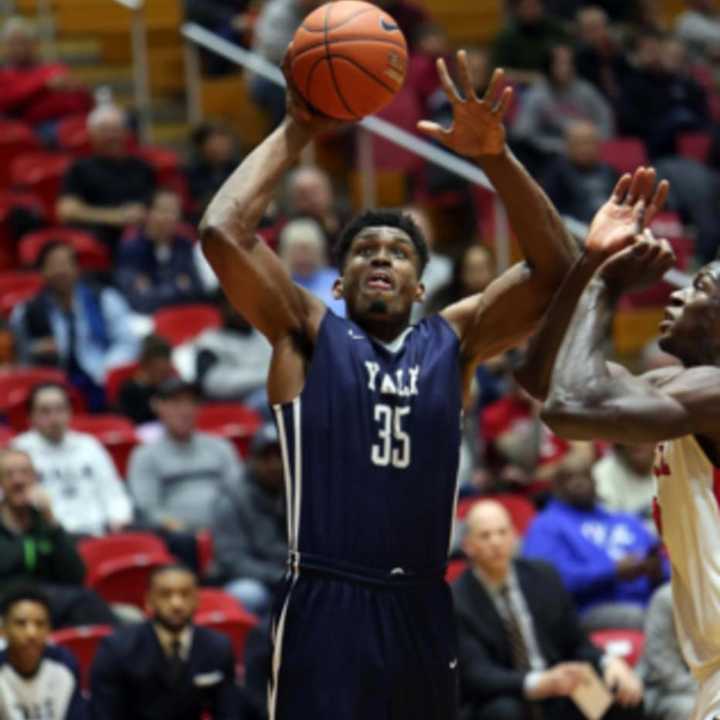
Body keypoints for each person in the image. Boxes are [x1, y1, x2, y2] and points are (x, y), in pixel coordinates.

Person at [198, 35, 639, 717]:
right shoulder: (307, 330)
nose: (381, 258)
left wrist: (496, 158)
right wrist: (296, 130)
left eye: (399, 252)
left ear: (421, 284)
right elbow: (224, 233)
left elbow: (557, 272)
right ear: (339, 284)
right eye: (364, 250)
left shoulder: (453, 340)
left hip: (424, 603)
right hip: (327, 598)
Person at [514, 164, 720, 720]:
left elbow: (570, 404)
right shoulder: (680, 394)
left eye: (699, 288)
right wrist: (589, 262)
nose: (675, 295)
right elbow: (543, 381)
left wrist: (606, 284)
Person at [454, 500, 643, 720]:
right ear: (468, 545)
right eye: (485, 536)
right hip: (504, 694)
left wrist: (609, 662)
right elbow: (477, 675)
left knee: (622, 693)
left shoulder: (543, 575)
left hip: (559, 688)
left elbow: (577, 642)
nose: (496, 542)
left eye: (502, 532)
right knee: (504, 712)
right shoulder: (458, 599)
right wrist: (539, 682)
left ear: (515, 536)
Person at [522, 452, 668, 630]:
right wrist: (612, 571)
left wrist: (657, 571)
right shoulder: (546, 525)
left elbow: (666, 570)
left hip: (647, 601)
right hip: (588, 611)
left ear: (595, 480)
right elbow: (546, 584)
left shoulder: (624, 520)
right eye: (569, 478)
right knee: (648, 617)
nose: (579, 482)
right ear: (555, 486)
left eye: (585, 476)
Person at [90, 564, 240, 720]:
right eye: (165, 594)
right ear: (149, 600)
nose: (176, 604)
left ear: (197, 599)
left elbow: (229, 712)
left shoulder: (217, 647)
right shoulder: (116, 649)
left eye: (185, 594)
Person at [9, 241, 139, 410]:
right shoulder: (26, 311)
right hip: (51, 384)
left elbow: (128, 342)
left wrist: (107, 370)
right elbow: (18, 356)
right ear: (42, 272)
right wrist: (34, 350)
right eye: (53, 265)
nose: (61, 271)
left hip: (100, 377)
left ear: (77, 269)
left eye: (65, 264)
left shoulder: (104, 299)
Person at [0, 448, 116, 629]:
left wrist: (51, 521)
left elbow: (76, 575)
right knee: (84, 602)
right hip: (8, 603)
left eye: (24, 473)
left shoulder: (45, 521)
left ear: (35, 478)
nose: (18, 480)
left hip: (52, 603)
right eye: (9, 474)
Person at [12, 382, 133, 537]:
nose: (54, 418)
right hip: (49, 536)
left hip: (100, 530)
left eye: (60, 409)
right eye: (45, 411)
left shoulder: (89, 445)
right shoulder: (18, 452)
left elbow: (113, 491)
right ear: (31, 416)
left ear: (70, 412)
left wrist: (119, 518)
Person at [127, 377, 243, 534]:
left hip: (227, 531)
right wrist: (177, 528)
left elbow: (238, 493)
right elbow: (147, 508)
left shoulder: (220, 447)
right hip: (177, 536)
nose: (184, 411)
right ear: (158, 406)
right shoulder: (145, 455)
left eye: (191, 403)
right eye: (176, 403)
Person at [210, 422, 286, 616]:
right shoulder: (231, 497)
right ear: (251, 460)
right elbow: (231, 560)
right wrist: (276, 576)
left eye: (280, 456)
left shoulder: (303, 491)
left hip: (291, 575)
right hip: (251, 578)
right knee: (248, 594)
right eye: (266, 457)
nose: (274, 465)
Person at [56, 103, 156, 250]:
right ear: (92, 135)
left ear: (126, 133)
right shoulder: (79, 169)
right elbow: (67, 211)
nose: (112, 136)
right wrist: (114, 217)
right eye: (105, 131)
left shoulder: (143, 167)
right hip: (99, 238)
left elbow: (157, 202)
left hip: (143, 236)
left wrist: (143, 213)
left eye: (116, 130)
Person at [512, 44, 614, 164]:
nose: (565, 68)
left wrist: (590, 143)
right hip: (548, 156)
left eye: (568, 63)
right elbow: (523, 133)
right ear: (549, 65)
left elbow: (606, 118)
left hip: (587, 154)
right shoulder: (537, 94)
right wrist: (560, 147)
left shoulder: (585, 90)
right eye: (560, 63)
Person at [0, 586, 87, 720]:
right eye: (21, 623)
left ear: (50, 630)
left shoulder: (65, 665)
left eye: (40, 624)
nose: (31, 633)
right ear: (3, 630)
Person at [115, 189, 206, 314]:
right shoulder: (131, 248)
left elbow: (197, 290)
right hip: (145, 317)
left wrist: (153, 289)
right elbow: (137, 300)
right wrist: (178, 287)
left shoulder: (184, 245)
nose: (169, 217)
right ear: (148, 213)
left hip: (181, 313)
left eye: (174, 212)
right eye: (163, 211)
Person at [0, 17, 91, 139]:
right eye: (14, 43)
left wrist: (80, 89)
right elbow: (7, 100)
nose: (19, 47)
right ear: (6, 47)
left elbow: (83, 100)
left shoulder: (55, 68)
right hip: (35, 127)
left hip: (74, 120)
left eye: (24, 42)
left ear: (34, 44)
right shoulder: (4, 75)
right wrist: (44, 86)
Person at [191, 291, 272, 412]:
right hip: (236, 409)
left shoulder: (267, 334)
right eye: (236, 304)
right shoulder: (210, 342)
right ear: (222, 307)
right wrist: (270, 376)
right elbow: (211, 384)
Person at [640, 583, 698, 720]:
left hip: (708, 688)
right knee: (694, 709)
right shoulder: (666, 598)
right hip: (661, 689)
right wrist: (711, 691)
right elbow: (663, 667)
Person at [542, 121, 619, 224]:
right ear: (568, 146)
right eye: (580, 143)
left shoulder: (609, 172)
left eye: (590, 142)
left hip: (610, 225)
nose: (586, 148)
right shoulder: (556, 175)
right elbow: (550, 212)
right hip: (574, 230)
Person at [277, 217, 345, 316]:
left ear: (318, 251)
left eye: (308, 250)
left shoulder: (335, 280)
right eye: (296, 251)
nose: (303, 257)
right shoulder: (279, 284)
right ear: (287, 254)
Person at [592, 442, 656, 529]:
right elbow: (611, 527)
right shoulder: (602, 473)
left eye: (645, 434)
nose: (637, 441)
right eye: (630, 436)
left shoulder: (672, 462)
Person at [116, 334, 176, 425]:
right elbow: (128, 422)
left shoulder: (169, 387)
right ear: (146, 365)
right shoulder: (129, 390)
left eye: (167, 371)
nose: (166, 375)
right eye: (160, 371)